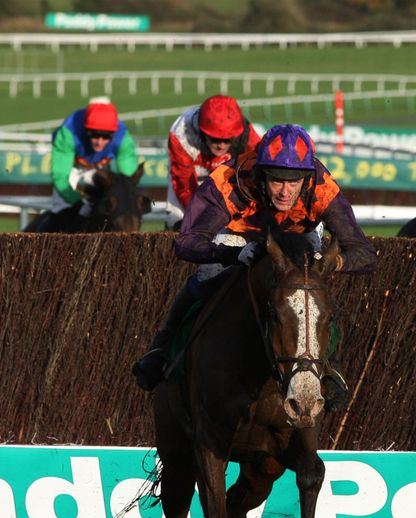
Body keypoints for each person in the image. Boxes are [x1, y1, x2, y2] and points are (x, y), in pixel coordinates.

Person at [132, 124, 378, 412]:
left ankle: (331, 367)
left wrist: (333, 263)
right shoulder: (228, 180)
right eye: (276, 181)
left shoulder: (322, 187)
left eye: (294, 183)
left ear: (307, 179)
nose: (285, 192)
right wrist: (231, 253)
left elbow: (365, 254)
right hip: (238, 236)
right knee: (209, 273)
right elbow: (186, 243)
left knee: (310, 286)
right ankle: (162, 347)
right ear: (261, 175)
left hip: (296, 238)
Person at [165, 94, 261, 229]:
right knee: (181, 223)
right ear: (203, 131)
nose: (221, 146)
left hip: (226, 172)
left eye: (227, 139)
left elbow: (261, 161)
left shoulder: (243, 131)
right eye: (215, 139)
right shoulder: (181, 135)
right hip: (191, 173)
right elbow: (184, 184)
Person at [49, 97, 138, 217]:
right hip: (71, 169)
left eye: (106, 137)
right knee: (63, 211)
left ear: (113, 134)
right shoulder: (68, 133)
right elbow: (61, 176)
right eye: (95, 135)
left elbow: (128, 178)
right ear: (86, 130)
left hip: (100, 169)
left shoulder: (122, 138)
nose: (99, 142)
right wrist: (77, 202)